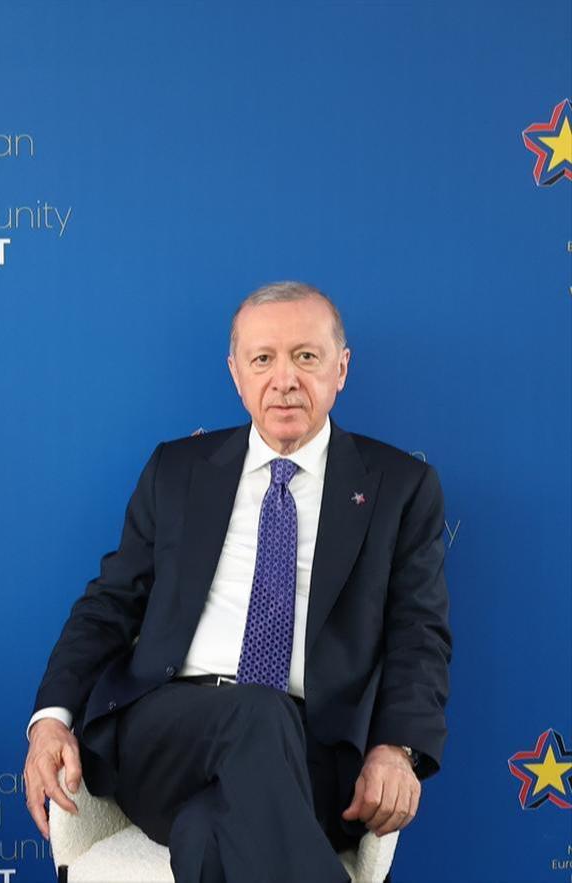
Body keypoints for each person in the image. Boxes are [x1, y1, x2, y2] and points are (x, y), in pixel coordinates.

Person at [24, 282, 451, 882]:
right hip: (168, 735)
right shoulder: (177, 470)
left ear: (341, 368)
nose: (284, 379)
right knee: (255, 710)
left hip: (311, 753)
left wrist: (396, 748)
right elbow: (109, 604)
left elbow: (418, 636)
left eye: (306, 356)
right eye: (263, 359)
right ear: (236, 373)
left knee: (206, 836)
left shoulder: (399, 487)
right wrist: (51, 719)